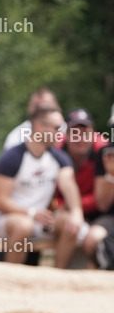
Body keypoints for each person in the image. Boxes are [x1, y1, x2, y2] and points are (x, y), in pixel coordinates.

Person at [0, 106, 86, 267]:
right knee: (23, 226)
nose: (62, 133)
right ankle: (11, 279)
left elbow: (69, 187)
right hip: (9, 219)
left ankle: (56, 277)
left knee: (73, 224)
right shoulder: (12, 157)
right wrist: (31, 213)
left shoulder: (59, 158)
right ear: (40, 127)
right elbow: (0, 202)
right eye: (57, 128)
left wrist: (77, 213)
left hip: (41, 220)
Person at [55, 109, 110, 265]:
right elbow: (49, 192)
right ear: (66, 135)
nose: (80, 138)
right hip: (62, 211)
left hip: (97, 213)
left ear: (93, 133)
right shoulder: (55, 150)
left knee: (89, 235)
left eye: (85, 132)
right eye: (74, 132)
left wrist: (76, 208)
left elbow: (104, 198)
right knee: (70, 224)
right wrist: (65, 207)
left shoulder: (104, 151)